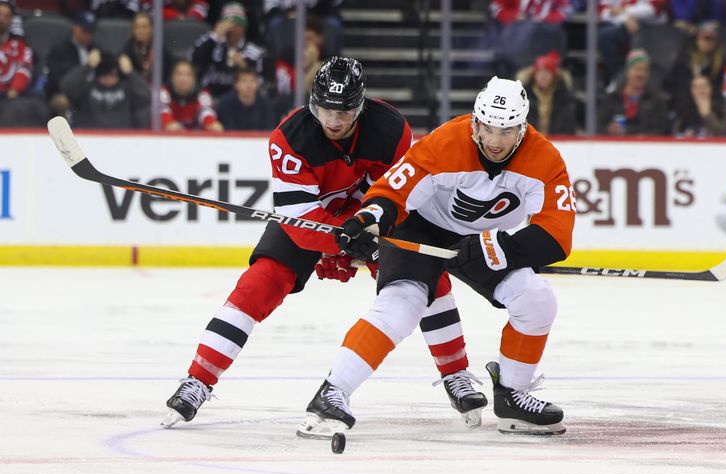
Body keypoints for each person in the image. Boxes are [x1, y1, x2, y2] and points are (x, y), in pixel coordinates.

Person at [162, 57, 487, 429]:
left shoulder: (391, 128)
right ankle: (197, 381)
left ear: (361, 105)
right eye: (325, 110)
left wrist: (363, 237)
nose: (334, 121)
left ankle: (456, 374)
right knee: (259, 283)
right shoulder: (289, 139)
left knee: (427, 277)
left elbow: (397, 196)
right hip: (314, 222)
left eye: (345, 111)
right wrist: (338, 244)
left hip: (370, 221)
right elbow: (302, 226)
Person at [299, 76, 575, 438]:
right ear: (475, 121)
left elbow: (557, 235)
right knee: (402, 303)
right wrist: (366, 221)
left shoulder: (545, 159)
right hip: (422, 230)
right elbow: (391, 192)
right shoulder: (446, 141)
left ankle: (512, 395)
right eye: (487, 128)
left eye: (506, 131)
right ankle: (332, 392)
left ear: (523, 129)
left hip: (486, 241)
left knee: (538, 300)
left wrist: (498, 247)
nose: (494, 141)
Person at [191, 1, 264, 98]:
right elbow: (195, 60)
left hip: (238, 102)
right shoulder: (210, 41)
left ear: (244, 28)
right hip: (207, 97)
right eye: (229, 26)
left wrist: (244, 67)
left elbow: (259, 84)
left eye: (237, 25)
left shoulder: (253, 52)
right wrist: (215, 35)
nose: (232, 30)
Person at [60, 51, 150, 129]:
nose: (109, 78)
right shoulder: (87, 88)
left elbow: (147, 96)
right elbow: (66, 86)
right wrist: (87, 66)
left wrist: (131, 73)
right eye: (105, 76)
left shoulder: (126, 88)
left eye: (113, 75)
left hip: (122, 139)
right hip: (91, 138)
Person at [598, 48, 670, 136]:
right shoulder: (611, 99)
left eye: (644, 70)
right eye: (637, 69)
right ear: (627, 72)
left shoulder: (657, 102)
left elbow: (662, 131)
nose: (641, 74)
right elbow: (597, 127)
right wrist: (608, 129)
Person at [518, 50, 577, 135]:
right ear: (534, 74)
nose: (543, 77)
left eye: (547, 73)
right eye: (540, 73)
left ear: (553, 76)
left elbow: (567, 123)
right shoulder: (524, 96)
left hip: (557, 142)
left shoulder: (564, 97)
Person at [160, 60, 223, 131]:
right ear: (172, 77)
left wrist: (211, 123)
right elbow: (162, 110)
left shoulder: (202, 94)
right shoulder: (164, 92)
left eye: (188, 75)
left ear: (194, 79)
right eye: (179, 74)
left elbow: (206, 112)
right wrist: (168, 123)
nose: (183, 78)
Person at [216, 66, 277, 131]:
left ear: (257, 84)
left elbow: (269, 129)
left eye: (252, 81)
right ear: (236, 84)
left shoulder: (266, 104)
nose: (249, 85)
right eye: (244, 81)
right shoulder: (225, 104)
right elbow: (226, 129)